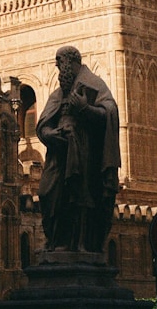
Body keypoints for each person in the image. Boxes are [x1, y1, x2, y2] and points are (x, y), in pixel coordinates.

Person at [36, 46, 120, 253]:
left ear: (70, 61)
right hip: (58, 153)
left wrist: (84, 108)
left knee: (79, 197)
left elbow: (110, 112)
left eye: (59, 61)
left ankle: (77, 244)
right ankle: (55, 240)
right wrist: (47, 134)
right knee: (47, 193)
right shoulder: (57, 94)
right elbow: (44, 122)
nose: (56, 66)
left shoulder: (94, 85)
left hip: (83, 151)